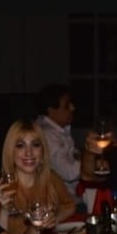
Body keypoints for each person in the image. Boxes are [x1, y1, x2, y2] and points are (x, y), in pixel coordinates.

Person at [0, 119, 76, 234]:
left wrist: (53, 219)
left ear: (43, 151)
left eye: (35, 145)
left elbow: (69, 206)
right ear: (11, 152)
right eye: (20, 146)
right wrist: (4, 212)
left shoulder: (51, 178)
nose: (29, 153)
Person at [34, 83, 85, 211]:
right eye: (67, 105)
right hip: (58, 204)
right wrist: (91, 158)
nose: (73, 108)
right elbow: (70, 171)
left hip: (70, 198)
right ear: (51, 109)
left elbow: (75, 156)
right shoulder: (46, 134)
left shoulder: (59, 130)